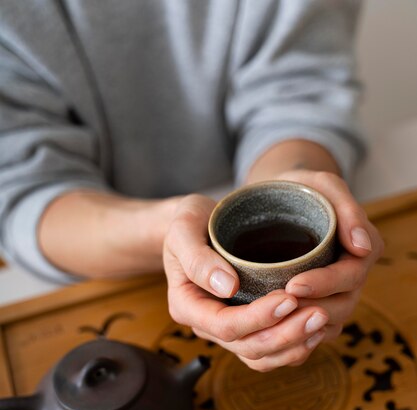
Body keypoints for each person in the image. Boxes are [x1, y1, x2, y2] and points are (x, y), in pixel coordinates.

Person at [0, 0, 383, 371]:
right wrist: (171, 231)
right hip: (100, 286)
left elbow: (297, 90)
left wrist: (292, 177)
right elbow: (21, 184)